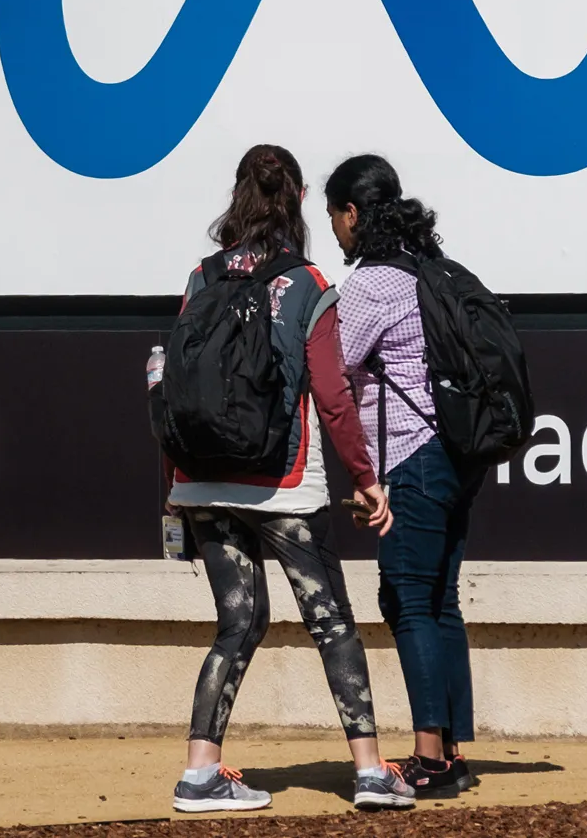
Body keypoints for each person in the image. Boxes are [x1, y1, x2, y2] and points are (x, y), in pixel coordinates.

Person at [161, 143, 417, 814]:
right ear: (299, 200)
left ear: (237, 196)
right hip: (282, 482)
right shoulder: (305, 282)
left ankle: (199, 775)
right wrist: (365, 479)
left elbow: (174, 385)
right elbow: (333, 397)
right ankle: (369, 771)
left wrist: (175, 481)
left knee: (236, 623)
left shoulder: (200, 276)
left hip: (203, 482)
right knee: (330, 620)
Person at [323, 153, 484, 800]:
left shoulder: (368, 285)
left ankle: (428, 757)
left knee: (409, 598)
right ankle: (451, 747)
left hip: (411, 456)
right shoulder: (426, 271)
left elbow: (331, 364)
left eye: (334, 214)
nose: (334, 228)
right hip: (455, 454)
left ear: (354, 213)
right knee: (439, 596)